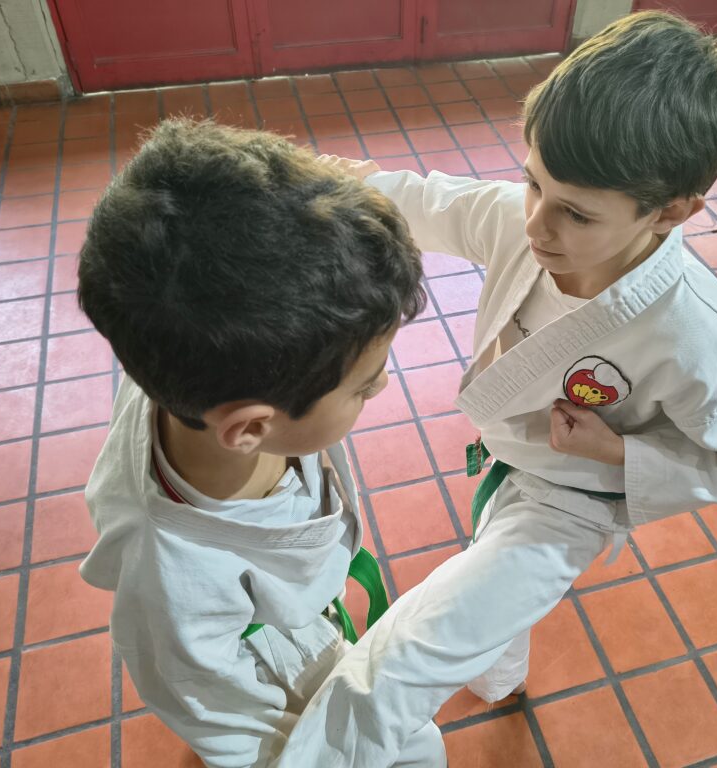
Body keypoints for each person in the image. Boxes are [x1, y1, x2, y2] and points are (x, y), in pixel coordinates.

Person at [280, 11, 717, 766]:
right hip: (513, 459)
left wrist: (620, 454)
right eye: (532, 181)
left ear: (671, 212)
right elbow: (414, 199)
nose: (537, 224)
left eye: (576, 212)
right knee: (489, 597)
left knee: (400, 662)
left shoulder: (696, 334)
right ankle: (503, 682)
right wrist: (290, 181)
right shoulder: (519, 220)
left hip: (574, 499)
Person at [76, 118, 445, 768]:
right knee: (414, 749)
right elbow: (211, 707)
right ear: (249, 428)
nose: (382, 386)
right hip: (278, 669)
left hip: (301, 611)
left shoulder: (189, 361)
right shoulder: (170, 571)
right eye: (362, 387)